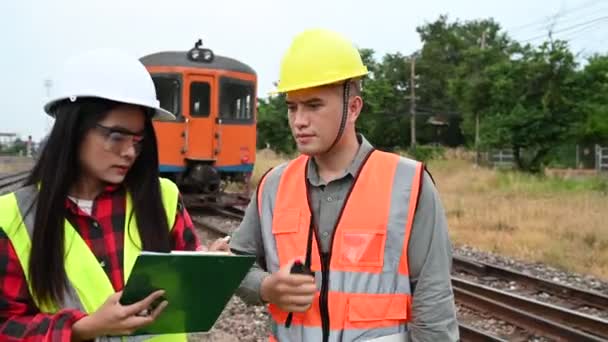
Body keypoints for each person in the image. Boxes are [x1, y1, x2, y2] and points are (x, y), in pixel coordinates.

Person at [229, 28, 459, 341]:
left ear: (353, 108)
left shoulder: (409, 184)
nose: (299, 120)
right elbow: (233, 266)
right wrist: (266, 287)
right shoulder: (273, 186)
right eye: (291, 107)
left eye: (313, 105)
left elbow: (433, 304)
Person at [0, 48, 225, 341]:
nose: (130, 152)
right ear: (73, 128)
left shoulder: (164, 198)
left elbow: (186, 279)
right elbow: (6, 325)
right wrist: (84, 328)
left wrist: (209, 267)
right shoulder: (13, 219)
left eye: (138, 140)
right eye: (116, 137)